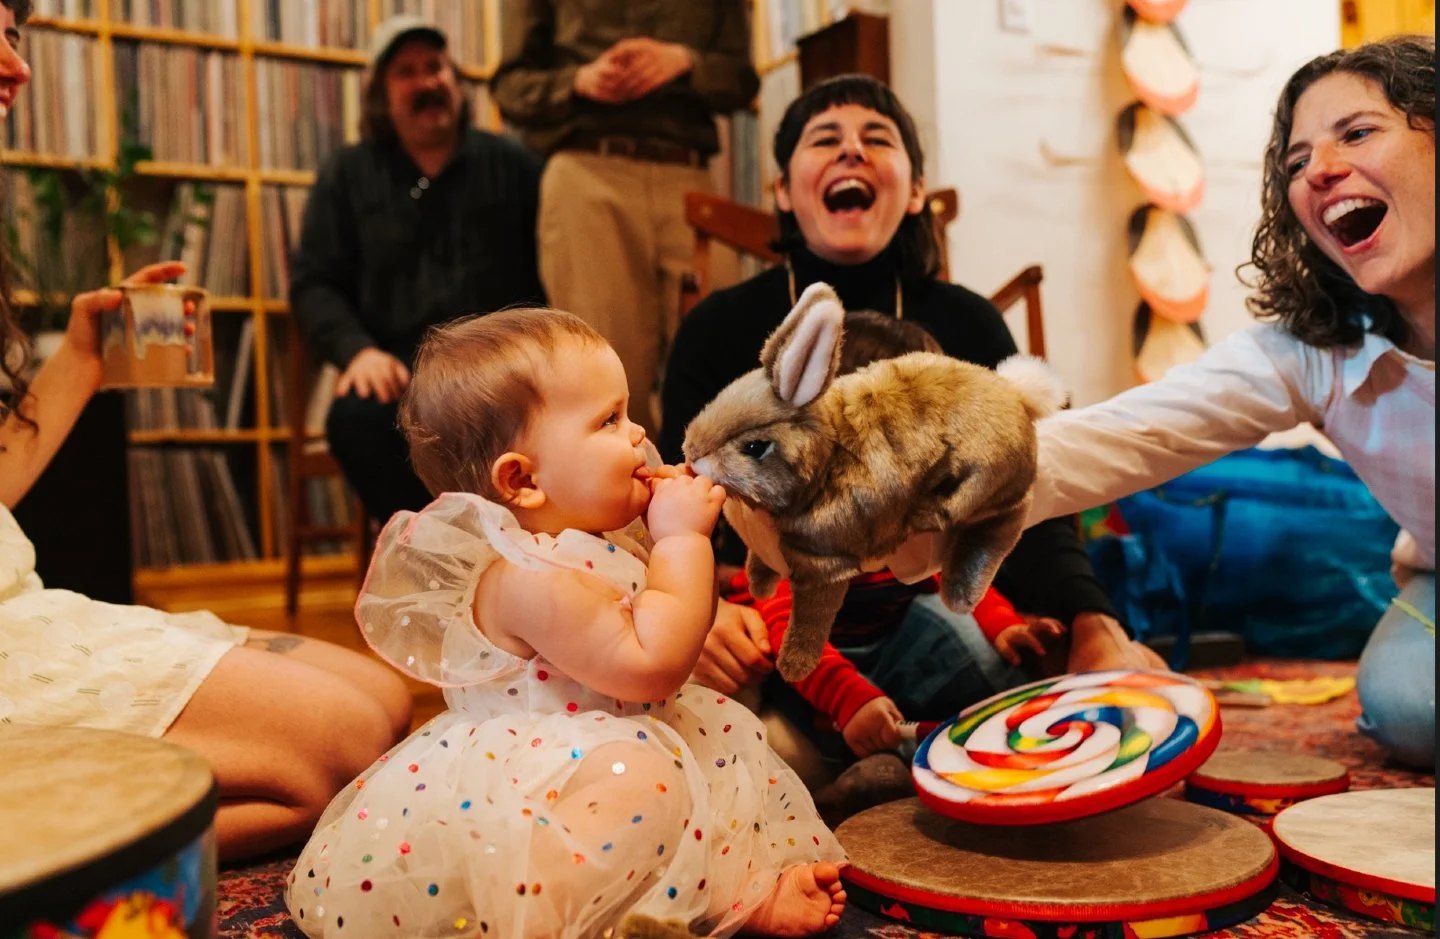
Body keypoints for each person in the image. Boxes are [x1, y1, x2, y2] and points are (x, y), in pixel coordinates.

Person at [0, 0, 412, 864]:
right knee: (346, 747)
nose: (18, 67)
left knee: (381, 698)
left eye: (14, 34)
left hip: (26, 605)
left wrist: (80, 355)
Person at [285, 309, 846, 938]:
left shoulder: (594, 541)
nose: (638, 436)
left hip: (627, 743)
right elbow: (653, 664)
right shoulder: (529, 578)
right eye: (609, 420)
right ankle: (538, 916)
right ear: (522, 480)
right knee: (643, 782)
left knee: (691, 768)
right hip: (545, 785)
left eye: (629, 412)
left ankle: (739, 899)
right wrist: (684, 542)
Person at [659, 74, 1161, 702]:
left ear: (917, 189)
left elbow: (1022, 490)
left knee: (1063, 685)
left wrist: (1093, 618)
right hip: (773, 618)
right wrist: (697, 607)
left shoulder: (968, 323)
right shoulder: (719, 327)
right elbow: (680, 498)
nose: (852, 151)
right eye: (825, 139)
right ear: (783, 190)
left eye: (876, 138)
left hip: (929, 610)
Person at [1026, 35, 1435, 769]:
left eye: (1358, 132)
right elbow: (1122, 437)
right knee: (1409, 703)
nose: (1322, 171)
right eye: (1296, 162)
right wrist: (918, 486)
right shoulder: (1313, 350)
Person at [751, 311, 1067, 767]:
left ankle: (1009, 721)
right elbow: (788, 629)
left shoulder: (914, 498)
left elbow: (952, 575)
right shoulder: (786, 518)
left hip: (899, 644)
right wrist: (849, 701)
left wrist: (1005, 626)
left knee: (976, 650)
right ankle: (864, 770)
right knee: (798, 698)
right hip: (823, 673)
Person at [291, 13, 545, 523]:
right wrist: (355, 351)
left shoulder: (515, 165)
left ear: (455, 80)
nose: (427, 81)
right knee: (355, 420)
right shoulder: (346, 174)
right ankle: (438, 551)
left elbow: (552, 269)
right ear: (381, 95)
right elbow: (314, 282)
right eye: (406, 72)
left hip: (502, 368)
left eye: (436, 66)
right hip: (399, 374)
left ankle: (515, 554)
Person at [491, 0, 758, 434]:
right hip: (587, 173)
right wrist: (578, 80)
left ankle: (714, 500)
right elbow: (510, 86)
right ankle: (623, 499)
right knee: (604, 380)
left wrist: (685, 61)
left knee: (727, 370)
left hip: (687, 176)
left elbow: (742, 79)